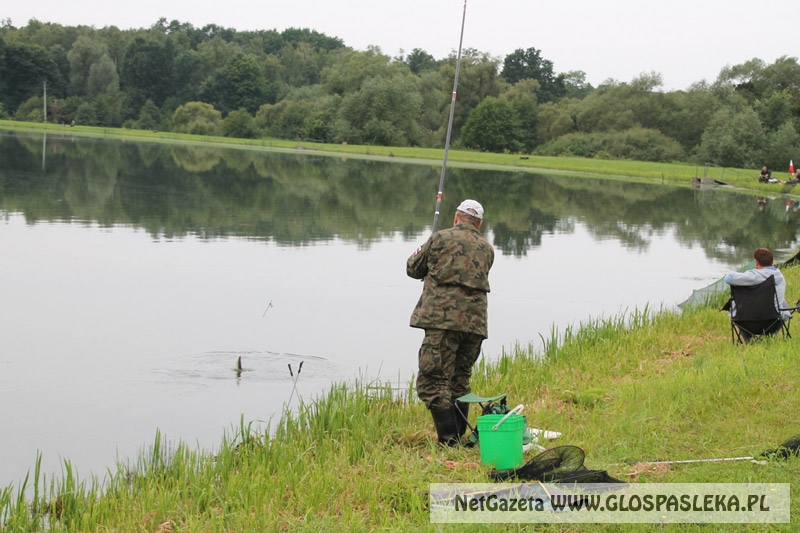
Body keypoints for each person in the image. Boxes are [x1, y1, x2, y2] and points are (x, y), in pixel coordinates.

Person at [406, 199, 495, 447]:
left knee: (432, 380)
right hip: (475, 325)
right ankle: (457, 437)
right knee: (459, 379)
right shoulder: (488, 249)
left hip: (443, 321)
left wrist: (429, 246)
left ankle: (448, 442)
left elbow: (412, 268)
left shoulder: (439, 238)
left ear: (456, 218)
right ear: (479, 224)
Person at [724, 247, 793, 341]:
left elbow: (728, 278)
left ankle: (749, 340)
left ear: (756, 262)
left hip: (745, 321)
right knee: (783, 304)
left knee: (733, 305)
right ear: (772, 261)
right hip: (773, 321)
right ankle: (770, 337)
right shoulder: (779, 275)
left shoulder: (751, 276)